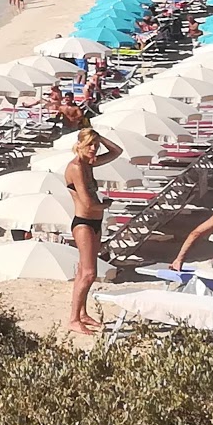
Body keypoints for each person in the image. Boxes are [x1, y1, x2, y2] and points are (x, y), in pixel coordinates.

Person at [65, 128, 124, 335]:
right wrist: (106, 205)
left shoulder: (88, 163)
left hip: (94, 223)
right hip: (83, 223)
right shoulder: (76, 167)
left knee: (85, 271)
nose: (94, 149)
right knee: (89, 273)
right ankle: (73, 319)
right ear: (80, 144)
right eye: (90, 145)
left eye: (96, 146)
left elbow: (117, 151)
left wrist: (99, 136)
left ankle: (81, 313)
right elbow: (88, 203)